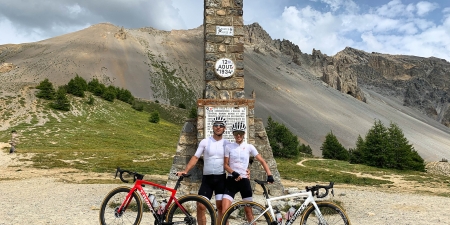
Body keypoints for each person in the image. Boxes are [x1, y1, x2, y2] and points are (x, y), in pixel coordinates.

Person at [176, 116, 230, 225]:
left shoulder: (227, 143)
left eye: (221, 125)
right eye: (216, 125)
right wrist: (185, 170)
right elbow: (195, 157)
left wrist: (245, 172)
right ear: (212, 127)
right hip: (207, 180)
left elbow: (235, 161)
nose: (218, 127)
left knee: (221, 208)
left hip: (221, 179)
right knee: (200, 206)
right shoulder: (205, 142)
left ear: (224, 128)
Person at [222, 121, 274, 222]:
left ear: (244, 134)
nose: (238, 135)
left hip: (244, 181)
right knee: (225, 211)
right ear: (233, 133)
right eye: (236, 133)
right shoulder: (229, 147)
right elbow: (225, 165)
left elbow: (262, 161)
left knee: (248, 212)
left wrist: (269, 174)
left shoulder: (249, 147)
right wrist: (233, 173)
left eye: (241, 133)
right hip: (231, 181)